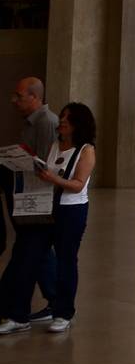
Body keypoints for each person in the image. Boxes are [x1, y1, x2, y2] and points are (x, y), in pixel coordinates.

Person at [0, 102, 94, 335]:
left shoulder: (86, 150)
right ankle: (18, 315)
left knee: (66, 261)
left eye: (67, 119)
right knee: (29, 258)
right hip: (46, 210)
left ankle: (63, 313)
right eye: (62, 117)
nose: (61, 121)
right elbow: (49, 174)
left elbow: (77, 185)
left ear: (77, 125)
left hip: (71, 212)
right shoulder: (55, 145)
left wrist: (52, 178)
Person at [3, 75, 57, 315]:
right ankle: (56, 301)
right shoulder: (30, 122)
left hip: (37, 199)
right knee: (38, 252)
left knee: (29, 250)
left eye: (19, 96)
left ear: (34, 97)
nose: (14, 100)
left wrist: (20, 161)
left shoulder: (46, 122)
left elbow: (45, 164)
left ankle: (13, 305)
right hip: (26, 196)